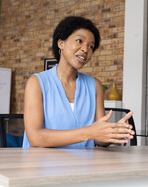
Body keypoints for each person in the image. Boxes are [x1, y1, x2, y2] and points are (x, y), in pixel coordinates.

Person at [22, 16, 134, 148]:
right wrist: (89, 132)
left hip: (82, 165)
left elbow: (99, 140)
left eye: (91, 46)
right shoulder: (37, 83)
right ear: (61, 43)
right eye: (79, 41)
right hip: (42, 165)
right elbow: (36, 138)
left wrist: (112, 133)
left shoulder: (95, 85)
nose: (85, 50)